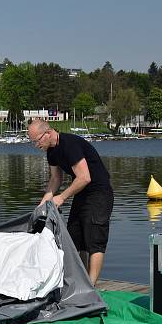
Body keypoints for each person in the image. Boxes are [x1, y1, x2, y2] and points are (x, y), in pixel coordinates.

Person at [27, 119, 113, 285]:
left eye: (37, 141)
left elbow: (85, 177)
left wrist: (62, 197)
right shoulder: (51, 151)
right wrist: (42, 204)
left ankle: (91, 285)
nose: (36, 145)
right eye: (33, 142)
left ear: (48, 133)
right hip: (82, 193)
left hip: (99, 192)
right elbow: (55, 179)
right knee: (74, 237)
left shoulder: (69, 144)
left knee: (94, 240)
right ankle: (80, 280)